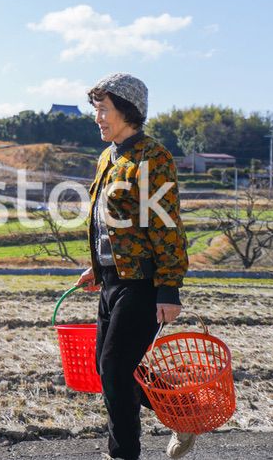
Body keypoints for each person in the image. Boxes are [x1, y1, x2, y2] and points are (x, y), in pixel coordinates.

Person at [73, 73, 193, 460]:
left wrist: (169, 288)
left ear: (127, 110)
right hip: (112, 280)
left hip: (142, 281)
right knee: (109, 369)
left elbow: (165, 224)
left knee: (114, 368)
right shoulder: (108, 157)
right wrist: (97, 266)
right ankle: (182, 411)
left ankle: (122, 454)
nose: (97, 118)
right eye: (96, 110)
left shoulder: (152, 157)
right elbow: (107, 223)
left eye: (103, 110)